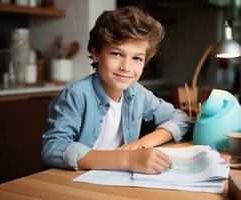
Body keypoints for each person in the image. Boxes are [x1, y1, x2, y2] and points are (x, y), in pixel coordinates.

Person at [42, 6, 190, 174]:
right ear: (96, 54)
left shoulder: (137, 93)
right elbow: (53, 148)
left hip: (115, 179)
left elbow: (180, 118)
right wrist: (127, 159)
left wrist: (144, 143)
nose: (126, 67)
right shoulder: (76, 95)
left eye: (137, 58)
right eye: (116, 54)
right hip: (77, 182)